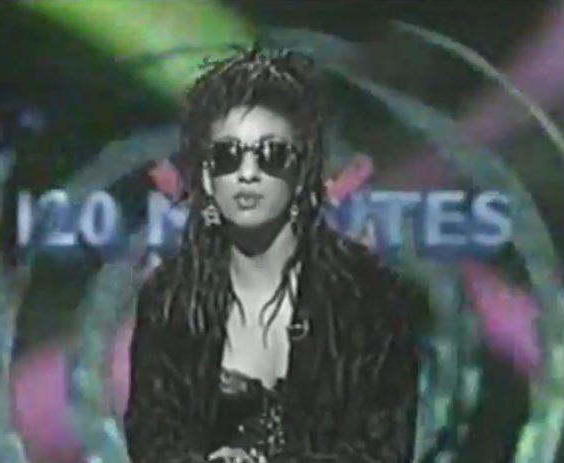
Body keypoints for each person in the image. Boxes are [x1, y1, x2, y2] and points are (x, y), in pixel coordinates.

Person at [124, 47, 422, 463]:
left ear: (303, 171)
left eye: (271, 155)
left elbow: (384, 448)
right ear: (206, 176)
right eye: (227, 156)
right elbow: (151, 438)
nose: (248, 174)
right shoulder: (168, 298)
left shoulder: (371, 296)